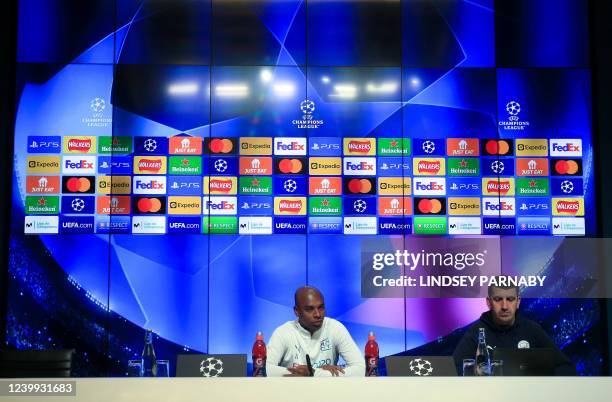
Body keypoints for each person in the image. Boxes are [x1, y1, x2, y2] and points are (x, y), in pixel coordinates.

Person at [452, 282, 575, 375]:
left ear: (518, 302)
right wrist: (479, 374)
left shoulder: (532, 329)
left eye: (510, 299)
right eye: (498, 299)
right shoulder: (476, 332)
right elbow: (453, 370)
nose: (504, 306)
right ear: (489, 302)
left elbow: (564, 366)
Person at [266, 286, 365, 377]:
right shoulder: (283, 332)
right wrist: (310, 372)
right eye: (310, 309)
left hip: (327, 392)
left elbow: (360, 369)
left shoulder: (335, 328)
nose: (318, 314)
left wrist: (315, 372)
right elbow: (264, 369)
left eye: (321, 307)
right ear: (297, 311)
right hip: (292, 393)